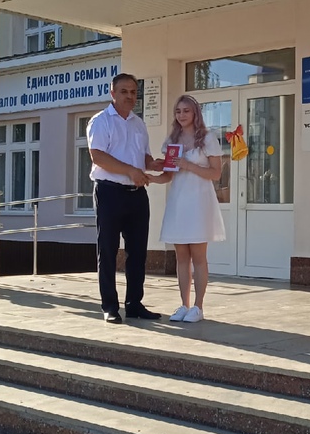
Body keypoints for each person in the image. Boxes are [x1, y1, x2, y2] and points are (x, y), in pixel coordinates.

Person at [86, 73, 163, 324]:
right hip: (109, 192)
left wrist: (154, 164)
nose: (130, 96)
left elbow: (143, 158)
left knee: (138, 252)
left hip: (137, 194)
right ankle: (110, 306)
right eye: (124, 91)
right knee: (108, 250)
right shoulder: (100, 121)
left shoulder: (139, 124)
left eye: (133, 92)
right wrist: (130, 171)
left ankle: (134, 304)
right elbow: (98, 156)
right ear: (112, 93)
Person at [155, 94, 225, 323]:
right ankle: (184, 305)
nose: (182, 115)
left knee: (199, 256)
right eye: (178, 111)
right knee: (181, 256)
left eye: (186, 110)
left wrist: (188, 165)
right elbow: (168, 175)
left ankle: (198, 306)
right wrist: (150, 178)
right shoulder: (172, 140)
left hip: (199, 202)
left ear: (195, 113)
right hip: (178, 202)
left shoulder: (207, 138)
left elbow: (216, 173)